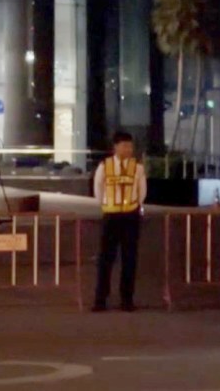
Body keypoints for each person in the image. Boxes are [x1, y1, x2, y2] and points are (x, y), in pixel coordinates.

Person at [92, 132, 147, 312]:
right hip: (111, 216)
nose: (128, 149)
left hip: (131, 216)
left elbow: (142, 190)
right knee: (105, 259)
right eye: (124, 146)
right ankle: (100, 299)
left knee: (129, 258)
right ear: (115, 147)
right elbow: (98, 188)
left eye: (130, 146)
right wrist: (106, 205)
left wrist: (136, 205)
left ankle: (127, 299)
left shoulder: (137, 168)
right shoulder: (105, 166)